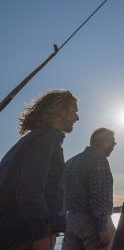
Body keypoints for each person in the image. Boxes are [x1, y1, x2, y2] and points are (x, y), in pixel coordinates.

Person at [0, 90, 79, 250]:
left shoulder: (30, 140)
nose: (77, 118)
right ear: (59, 110)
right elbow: (29, 190)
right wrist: (41, 235)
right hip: (25, 237)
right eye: (74, 112)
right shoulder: (45, 138)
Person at [62, 128, 117, 250]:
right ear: (104, 142)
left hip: (70, 221)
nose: (114, 146)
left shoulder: (70, 162)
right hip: (92, 221)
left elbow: (61, 193)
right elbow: (99, 194)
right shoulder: (99, 159)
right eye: (112, 142)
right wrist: (102, 227)